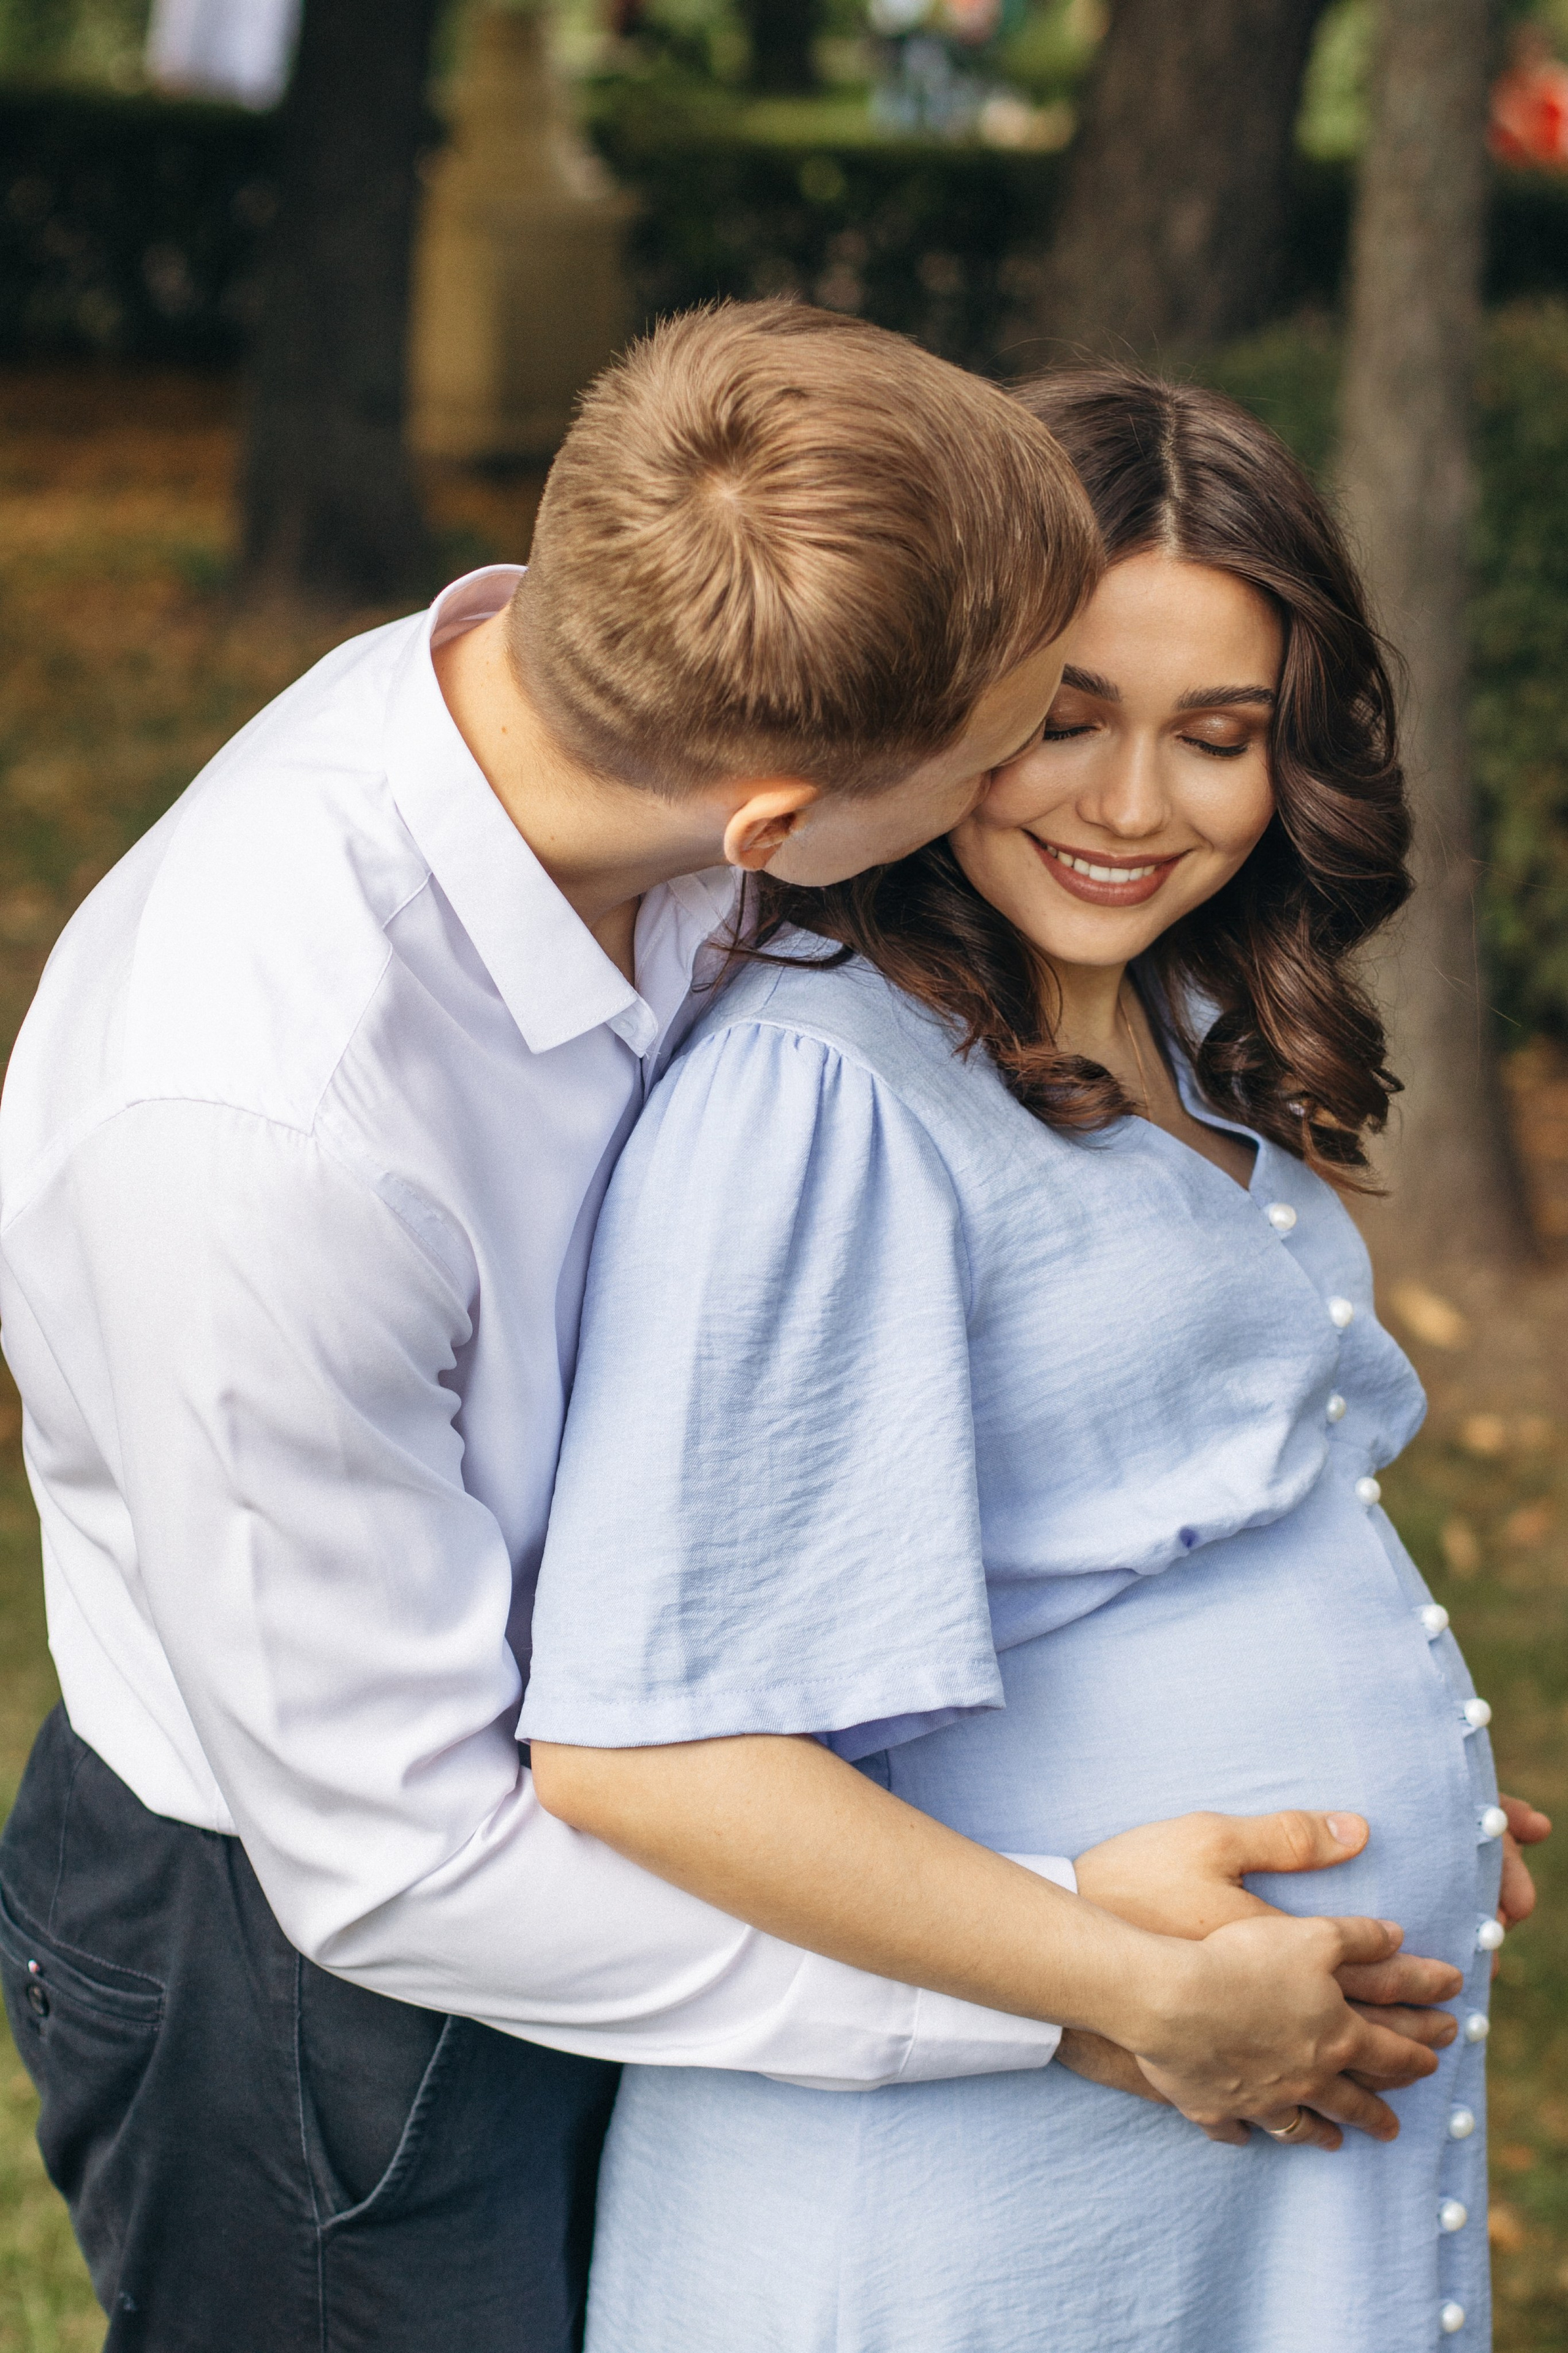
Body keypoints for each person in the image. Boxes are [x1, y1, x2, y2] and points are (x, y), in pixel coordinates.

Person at [0, 305, 1459, 2352]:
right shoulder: (257, 1143)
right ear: (782, 826)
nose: (1074, 786)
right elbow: (403, 1864)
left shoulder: (611, 690)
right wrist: (1072, 1992)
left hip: (659, 1864)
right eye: (1021, 732)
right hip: (327, 1978)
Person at [521, 366, 1550, 2352]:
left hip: (1232, 2116)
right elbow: (648, 1745)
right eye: (1066, 722)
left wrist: (1407, 1785)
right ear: (948, 701)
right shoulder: (824, 1088)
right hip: (977, 2181)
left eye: (1218, 737)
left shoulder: (1173, 1022)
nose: (1135, 804)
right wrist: (1123, 1972)